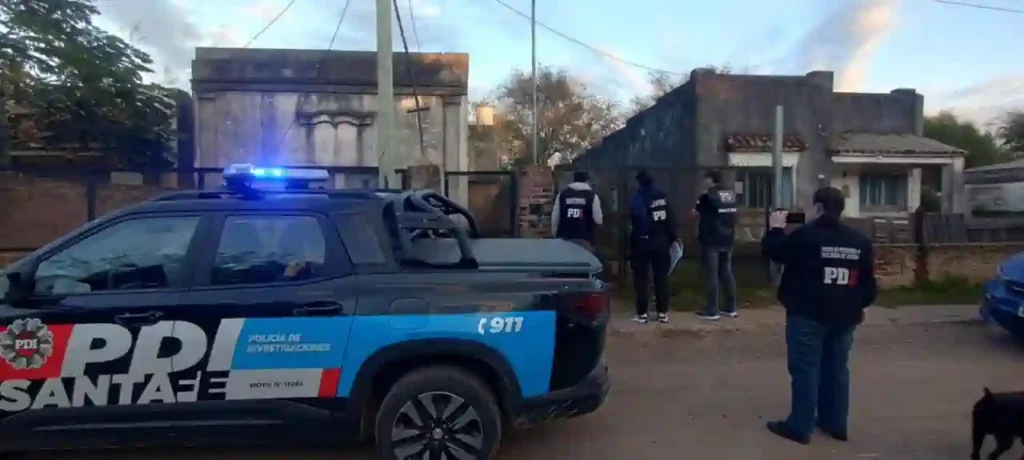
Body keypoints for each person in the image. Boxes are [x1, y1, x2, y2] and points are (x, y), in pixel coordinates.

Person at [761, 186, 877, 445]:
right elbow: (868, 284)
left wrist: (776, 228)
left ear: (819, 207)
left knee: (805, 369)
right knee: (836, 369)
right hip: (845, 316)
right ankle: (835, 424)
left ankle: (800, 426)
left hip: (807, 314)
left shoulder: (806, 235)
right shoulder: (859, 240)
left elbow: (774, 251)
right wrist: (859, 305)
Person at [629, 170, 677, 324]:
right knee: (661, 277)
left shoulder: (639, 197)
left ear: (639, 182)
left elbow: (638, 217)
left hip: (644, 242)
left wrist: (640, 235)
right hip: (662, 241)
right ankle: (662, 312)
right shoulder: (662, 195)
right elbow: (670, 217)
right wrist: (673, 237)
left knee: (641, 278)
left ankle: (642, 313)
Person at [691, 169, 739, 320]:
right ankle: (731, 308)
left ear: (710, 179)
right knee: (726, 272)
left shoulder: (707, 196)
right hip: (728, 237)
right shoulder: (730, 195)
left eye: (706, 179)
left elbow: (694, 214)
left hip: (711, 239)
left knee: (711, 274)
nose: (704, 181)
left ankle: (712, 310)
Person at [552, 170, 603, 252]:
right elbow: (598, 220)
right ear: (587, 181)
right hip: (585, 239)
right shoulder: (592, 196)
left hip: (564, 239)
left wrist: (555, 234)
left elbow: (555, 219)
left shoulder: (562, 195)